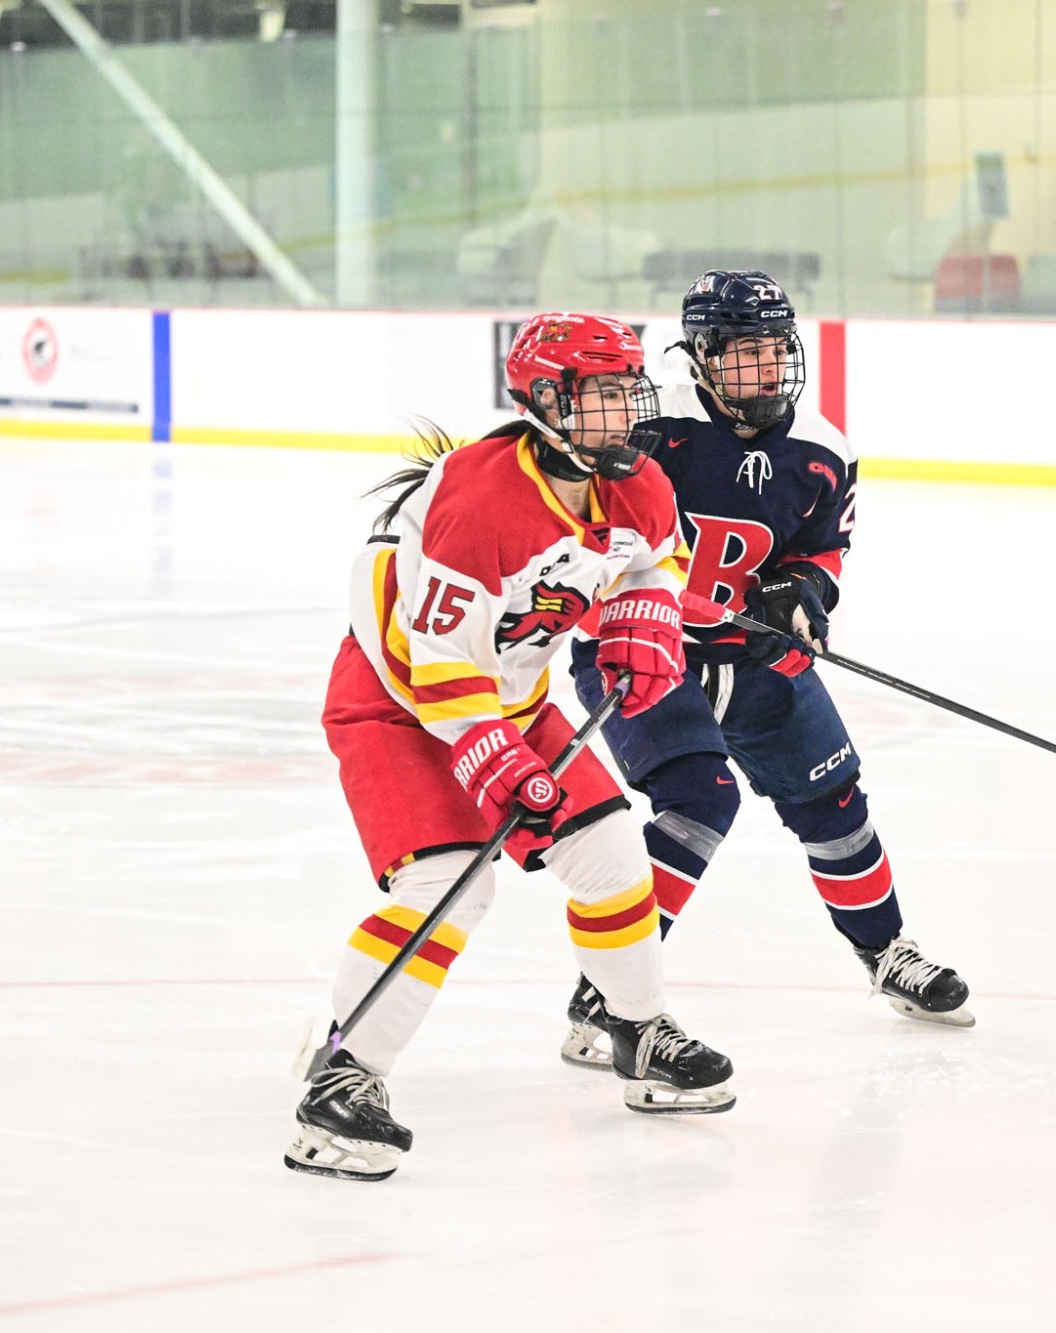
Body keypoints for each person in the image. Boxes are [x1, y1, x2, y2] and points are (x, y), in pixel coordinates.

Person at [285, 312, 736, 1183]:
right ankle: (343, 1074)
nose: (622, 413)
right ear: (543, 402)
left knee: (610, 856)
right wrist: (494, 762)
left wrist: (645, 614)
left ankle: (636, 1033)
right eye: (600, 396)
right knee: (452, 886)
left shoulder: (633, 483)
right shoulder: (478, 500)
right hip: (397, 703)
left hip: (515, 698)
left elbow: (656, 554)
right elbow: (439, 663)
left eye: (625, 391)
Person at [557, 270, 973, 1073]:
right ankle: (609, 993)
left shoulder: (822, 449)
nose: (768, 370)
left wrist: (804, 591)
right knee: (698, 799)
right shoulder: (656, 431)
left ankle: (885, 952)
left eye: (777, 351)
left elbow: (824, 548)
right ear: (704, 357)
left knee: (834, 802)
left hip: (755, 659)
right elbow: (586, 525)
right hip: (646, 650)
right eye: (746, 354)